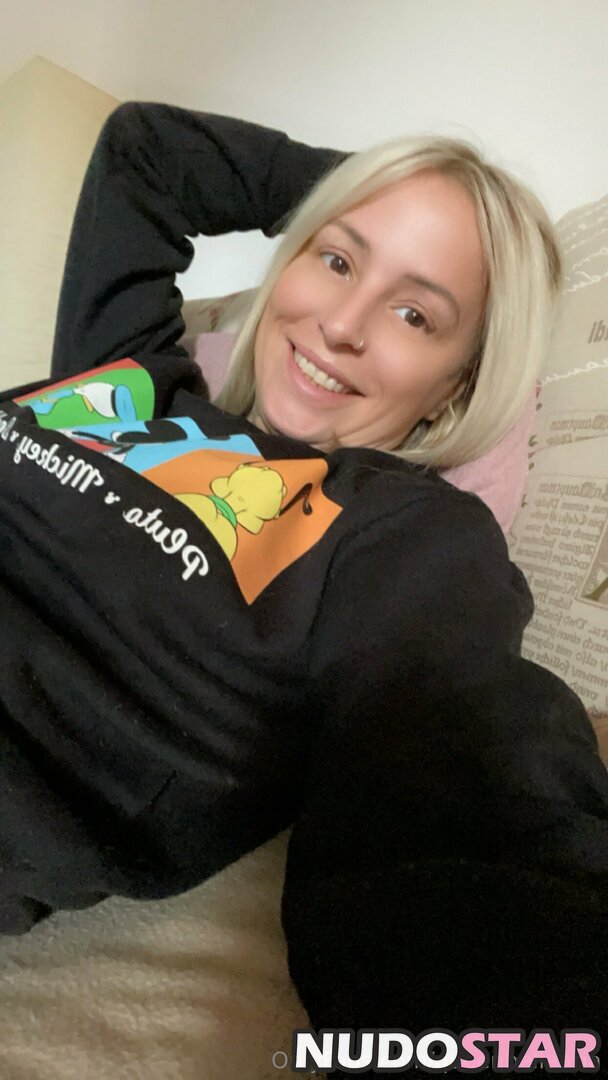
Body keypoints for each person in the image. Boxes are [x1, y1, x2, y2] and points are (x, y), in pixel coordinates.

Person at [1, 102, 606, 1072]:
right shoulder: (135, 379)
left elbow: (472, 801)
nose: (341, 323)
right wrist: (388, 192)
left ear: (457, 385)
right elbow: (144, 154)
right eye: (334, 260)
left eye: (416, 314)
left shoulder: (403, 533)